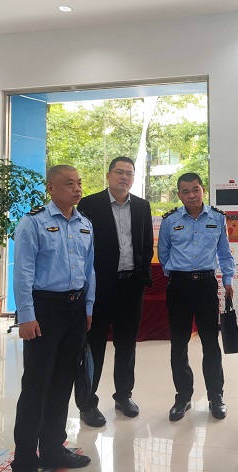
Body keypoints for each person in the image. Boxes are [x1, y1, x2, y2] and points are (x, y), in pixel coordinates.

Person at [11, 165, 95, 472]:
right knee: (37, 384)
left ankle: (52, 449)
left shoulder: (85, 224)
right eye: (69, 183)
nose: (77, 188)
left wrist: (88, 307)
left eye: (79, 183)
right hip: (44, 309)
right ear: (51, 188)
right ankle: (24, 458)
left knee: (63, 382)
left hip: (75, 309)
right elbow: (23, 272)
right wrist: (26, 316)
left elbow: (89, 270)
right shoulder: (33, 223)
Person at [76, 156, 154, 427]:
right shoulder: (89, 204)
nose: (124, 177)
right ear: (108, 176)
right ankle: (88, 402)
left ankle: (123, 395)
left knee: (127, 344)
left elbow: (146, 244)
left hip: (131, 285)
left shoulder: (142, 206)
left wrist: (142, 275)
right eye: (119, 172)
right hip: (99, 286)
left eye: (129, 173)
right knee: (94, 344)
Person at [158, 172, 235, 422]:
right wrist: (177, 274)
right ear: (179, 195)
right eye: (185, 191)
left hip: (206, 285)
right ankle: (183, 397)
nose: (191, 195)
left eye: (195, 189)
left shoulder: (217, 218)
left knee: (210, 343)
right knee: (179, 344)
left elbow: (224, 253)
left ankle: (216, 396)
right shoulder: (170, 220)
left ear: (203, 190)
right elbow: (163, 253)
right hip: (179, 287)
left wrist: (228, 280)